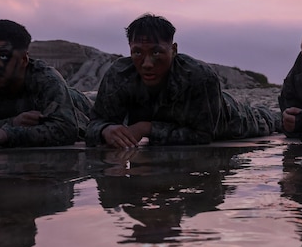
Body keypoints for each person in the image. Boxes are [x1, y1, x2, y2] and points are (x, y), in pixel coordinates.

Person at [85, 14, 279, 147]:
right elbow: (94, 123)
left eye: (156, 52)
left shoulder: (199, 76)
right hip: (177, 123)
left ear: (174, 50)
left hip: (230, 119)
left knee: (268, 120)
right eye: (137, 52)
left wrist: (146, 128)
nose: (146, 64)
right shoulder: (119, 74)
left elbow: (202, 136)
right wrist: (105, 130)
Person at [0, 20, 90, 150]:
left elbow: (66, 130)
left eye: (3, 56)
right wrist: (12, 123)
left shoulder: (46, 79)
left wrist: (7, 135)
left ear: (24, 60)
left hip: (76, 103)